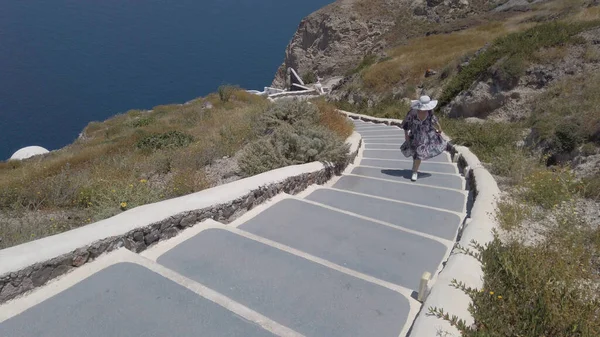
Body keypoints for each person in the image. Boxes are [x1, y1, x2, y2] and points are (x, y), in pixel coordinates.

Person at [400, 95, 447, 182]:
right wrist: (406, 135)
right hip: (415, 135)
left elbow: (434, 120)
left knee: (419, 154)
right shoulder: (412, 113)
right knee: (415, 153)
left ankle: (415, 172)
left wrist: (439, 127)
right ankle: (415, 167)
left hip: (426, 136)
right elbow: (406, 124)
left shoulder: (429, 112)